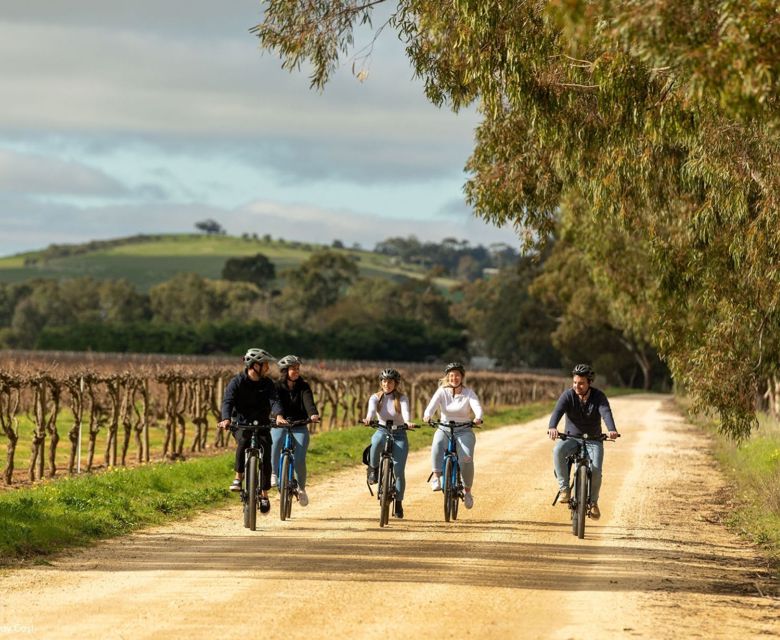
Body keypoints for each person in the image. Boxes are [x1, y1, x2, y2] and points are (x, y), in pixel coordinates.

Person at [548, 364, 620, 520]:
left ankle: (593, 503)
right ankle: (564, 489)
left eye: (581, 383)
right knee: (557, 451)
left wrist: (612, 429)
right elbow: (557, 411)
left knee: (595, 470)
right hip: (571, 438)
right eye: (574, 382)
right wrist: (552, 427)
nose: (577, 386)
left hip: (594, 440)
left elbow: (605, 412)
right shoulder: (568, 396)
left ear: (589, 383)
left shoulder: (599, 396)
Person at [218, 347, 284, 515]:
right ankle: (238, 477)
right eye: (265, 365)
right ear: (254, 365)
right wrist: (226, 419)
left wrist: (278, 416)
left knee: (266, 451)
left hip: (262, 424)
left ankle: (264, 493)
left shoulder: (267, 383)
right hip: (242, 424)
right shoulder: (237, 382)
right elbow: (228, 401)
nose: (268, 368)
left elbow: (274, 401)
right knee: (243, 441)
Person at [423, 362, 483, 509]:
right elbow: (431, 407)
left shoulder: (468, 393)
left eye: (457, 375)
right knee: (437, 443)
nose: (454, 378)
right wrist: (427, 416)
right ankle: (437, 477)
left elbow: (477, 408)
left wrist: (478, 418)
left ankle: (467, 491)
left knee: (467, 458)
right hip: (444, 427)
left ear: (461, 377)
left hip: (464, 429)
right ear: (447, 377)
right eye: (451, 375)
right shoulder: (441, 391)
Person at [363, 368, 415, 519]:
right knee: (375, 441)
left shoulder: (402, 398)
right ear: (381, 383)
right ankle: (373, 469)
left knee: (399, 471)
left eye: (390, 381)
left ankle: (398, 503)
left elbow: (405, 412)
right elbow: (371, 411)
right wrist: (368, 419)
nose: (387, 384)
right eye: (384, 381)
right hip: (382, 430)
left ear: (396, 384)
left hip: (399, 433)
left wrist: (407, 422)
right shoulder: (376, 397)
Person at [270, 355, 320, 507]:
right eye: (293, 369)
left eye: (298, 369)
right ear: (285, 371)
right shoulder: (277, 386)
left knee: (299, 459)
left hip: (299, 424)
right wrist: (278, 416)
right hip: (280, 423)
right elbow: (275, 402)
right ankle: (273, 473)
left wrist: (313, 414)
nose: (296, 371)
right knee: (276, 443)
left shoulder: (303, 386)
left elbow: (308, 401)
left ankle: (301, 488)